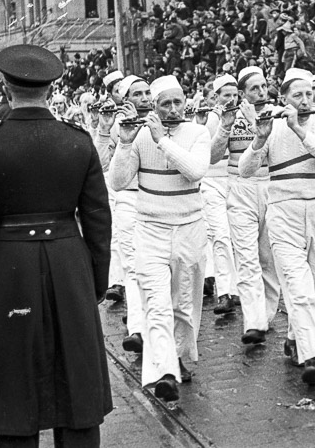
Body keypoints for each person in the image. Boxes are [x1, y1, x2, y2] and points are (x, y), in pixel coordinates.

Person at [0, 44, 113, 447]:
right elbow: (97, 220)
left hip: (7, 269)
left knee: (14, 392)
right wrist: (95, 281)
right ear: (51, 90)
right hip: (69, 262)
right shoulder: (78, 141)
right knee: (76, 384)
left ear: (5, 88)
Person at [109, 74, 210, 401]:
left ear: (185, 101)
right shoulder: (138, 136)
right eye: (164, 103)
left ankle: (180, 357)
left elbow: (195, 171)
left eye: (176, 102)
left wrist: (161, 140)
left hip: (188, 228)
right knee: (156, 302)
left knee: (183, 301)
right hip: (150, 229)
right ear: (153, 105)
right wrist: (125, 144)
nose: (171, 109)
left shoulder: (197, 132)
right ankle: (165, 371)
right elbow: (119, 182)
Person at [239, 67, 315, 384]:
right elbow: (245, 169)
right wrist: (259, 138)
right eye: (298, 95)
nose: (306, 100)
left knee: (314, 283)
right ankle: (311, 356)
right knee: (298, 286)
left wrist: (299, 129)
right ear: (283, 97)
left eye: (310, 93)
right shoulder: (272, 125)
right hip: (283, 211)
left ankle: (296, 340)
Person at [210, 66, 280, 346]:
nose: (261, 92)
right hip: (239, 187)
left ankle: (267, 313)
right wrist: (225, 126)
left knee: (269, 257)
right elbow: (212, 156)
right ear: (242, 93)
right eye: (254, 88)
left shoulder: (276, 113)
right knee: (247, 255)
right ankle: (253, 322)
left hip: (272, 186)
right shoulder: (229, 116)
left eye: (264, 87)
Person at [94, 74, 150, 353]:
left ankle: (155, 322)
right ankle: (137, 328)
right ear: (125, 100)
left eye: (146, 93)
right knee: (132, 265)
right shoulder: (117, 126)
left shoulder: (163, 121)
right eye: (136, 94)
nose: (144, 99)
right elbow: (102, 164)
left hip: (159, 201)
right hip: (128, 198)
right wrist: (106, 130)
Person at [199, 74, 239, 315]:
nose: (232, 99)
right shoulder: (210, 120)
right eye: (227, 95)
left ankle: (236, 287)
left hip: (235, 181)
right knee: (220, 236)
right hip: (210, 182)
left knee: (236, 238)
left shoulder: (242, 117)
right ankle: (224, 292)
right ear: (216, 97)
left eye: (235, 95)